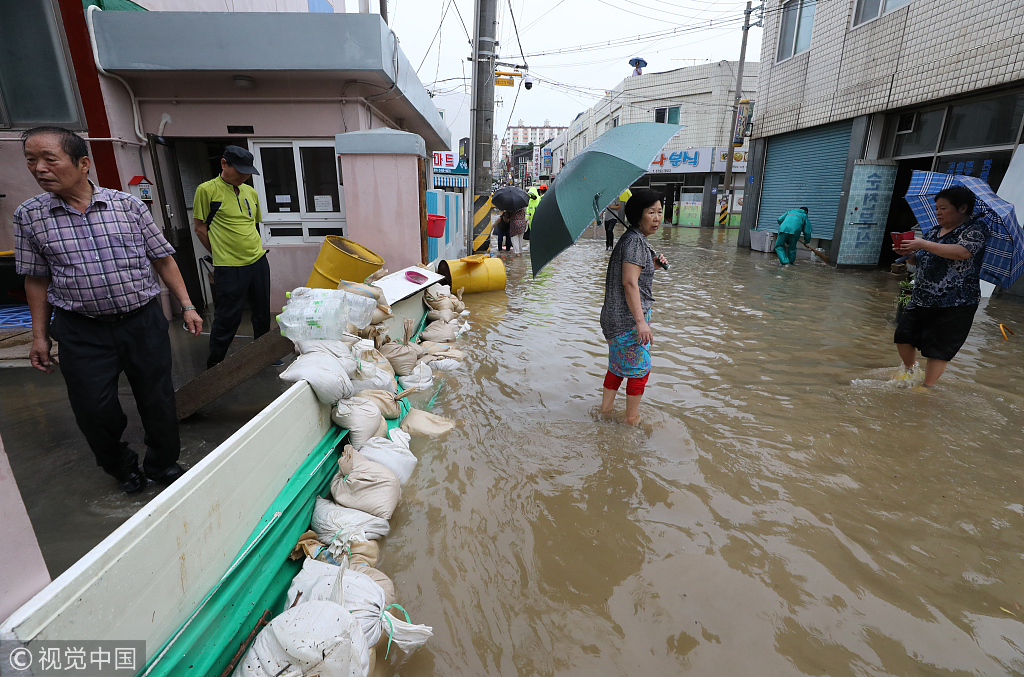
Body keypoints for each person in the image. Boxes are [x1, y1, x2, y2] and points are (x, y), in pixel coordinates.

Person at [14, 127, 203, 494]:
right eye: (31, 161)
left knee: (158, 399)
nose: (39, 169)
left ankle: (162, 465)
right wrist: (39, 336)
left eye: (49, 159)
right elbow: (35, 279)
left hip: (141, 321)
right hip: (80, 328)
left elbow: (162, 258)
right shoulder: (30, 216)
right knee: (93, 410)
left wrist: (188, 306)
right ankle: (121, 467)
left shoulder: (127, 206)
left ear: (83, 164)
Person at [893, 185, 987, 388]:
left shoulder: (975, 229)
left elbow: (962, 252)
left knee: (938, 348)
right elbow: (917, 260)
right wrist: (907, 252)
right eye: (937, 208)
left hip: (956, 301)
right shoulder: (934, 231)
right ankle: (910, 370)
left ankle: (927, 388)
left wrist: (922, 244)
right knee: (903, 336)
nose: (938, 212)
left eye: (943, 208)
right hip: (922, 297)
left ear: (962, 208)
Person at [193, 146, 270, 369]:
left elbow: (251, 224)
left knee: (262, 313)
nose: (245, 176)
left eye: (248, 172)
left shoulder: (250, 192)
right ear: (224, 164)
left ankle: (263, 355)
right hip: (229, 266)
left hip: (258, 261)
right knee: (228, 317)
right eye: (240, 170)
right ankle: (216, 361)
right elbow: (200, 228)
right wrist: (219, 253)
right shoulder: (207, 190)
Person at [599, 188, 668, 425]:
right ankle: (631, 420)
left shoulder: (631, 239)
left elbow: (632, 274)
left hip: (613, 318)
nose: (657, 218)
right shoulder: (635, 242)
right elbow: (629, 283)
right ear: (639, 214)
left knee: (618, 368)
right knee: (640, 370)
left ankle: (605, 413)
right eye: (651, 212)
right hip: (627, 321)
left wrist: (653, 265)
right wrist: (641, 323)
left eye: (660, 211)